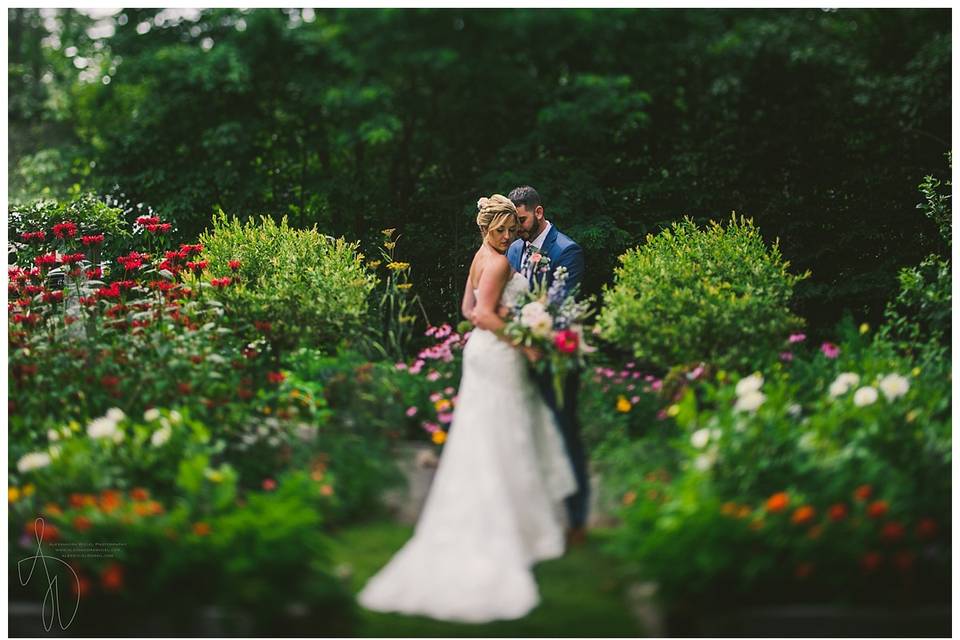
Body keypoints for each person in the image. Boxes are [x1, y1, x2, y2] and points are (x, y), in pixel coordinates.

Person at [357, 195, 577, 623]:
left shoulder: (480, 257)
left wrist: (509, 320)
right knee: (501, 436)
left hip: (483, 356)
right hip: (497, 354)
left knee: (489, 436)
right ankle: (509, 530)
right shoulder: (496, 262)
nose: (509, 236)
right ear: (486, 228)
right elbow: (482, 316)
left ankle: (516, 525)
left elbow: (465, 309)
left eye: (513, 229)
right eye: (502, 230)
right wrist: (525, 342)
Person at [506, 185, 589, 546]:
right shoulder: (512, 249)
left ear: (538, 212)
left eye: (521, 219)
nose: (516, 227)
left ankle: (577, 520)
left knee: (565, 433)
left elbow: (560, 306)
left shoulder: (566, 251)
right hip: (519, 356)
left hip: (556, 357)